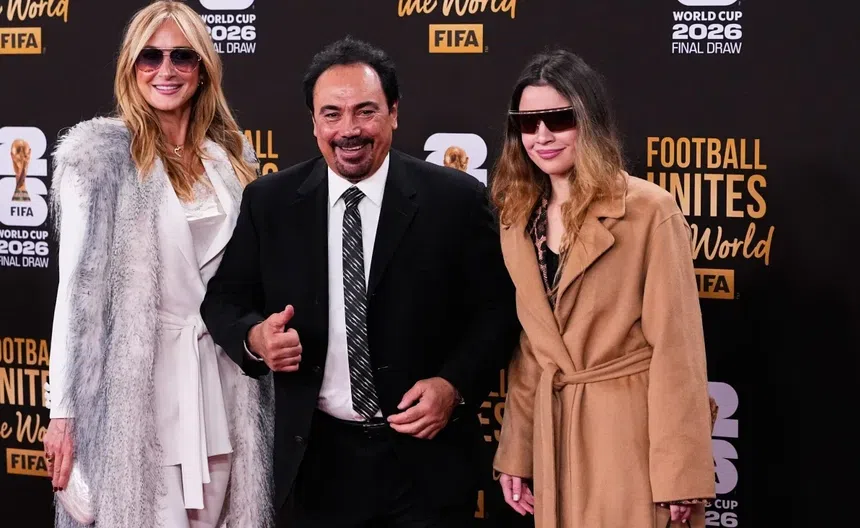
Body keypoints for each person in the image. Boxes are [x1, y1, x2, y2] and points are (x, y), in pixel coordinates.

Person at [200, 36, 519, 528]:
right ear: (313, 122)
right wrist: (255, 338)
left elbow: (497, 312)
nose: (348, 130)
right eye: (332, 114)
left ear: (394, 113)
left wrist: (453, 385)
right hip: (315, 464)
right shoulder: (270, 201)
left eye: (365, 111)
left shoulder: (453, 199)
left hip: (426, 465)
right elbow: (223, 300)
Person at [42, 2, 274, 527]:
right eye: (150, 56)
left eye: (181, 56)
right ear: (131, 67)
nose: (165, 70)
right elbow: (75, 296)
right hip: (138, 393)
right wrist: (63, 414)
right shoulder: (98, 160)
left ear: (203, 68)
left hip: (221, 385)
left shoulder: (230, 159)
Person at [490, 49, 716, 528]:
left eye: (558, 119)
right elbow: (534, 350)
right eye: (527, 123)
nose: (542, 136)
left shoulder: (649, 211)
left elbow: (678, 350)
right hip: (555, 437)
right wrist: (517, 450)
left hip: (630, 437)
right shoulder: (517, 217)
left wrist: (680, 473)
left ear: (588, 121)